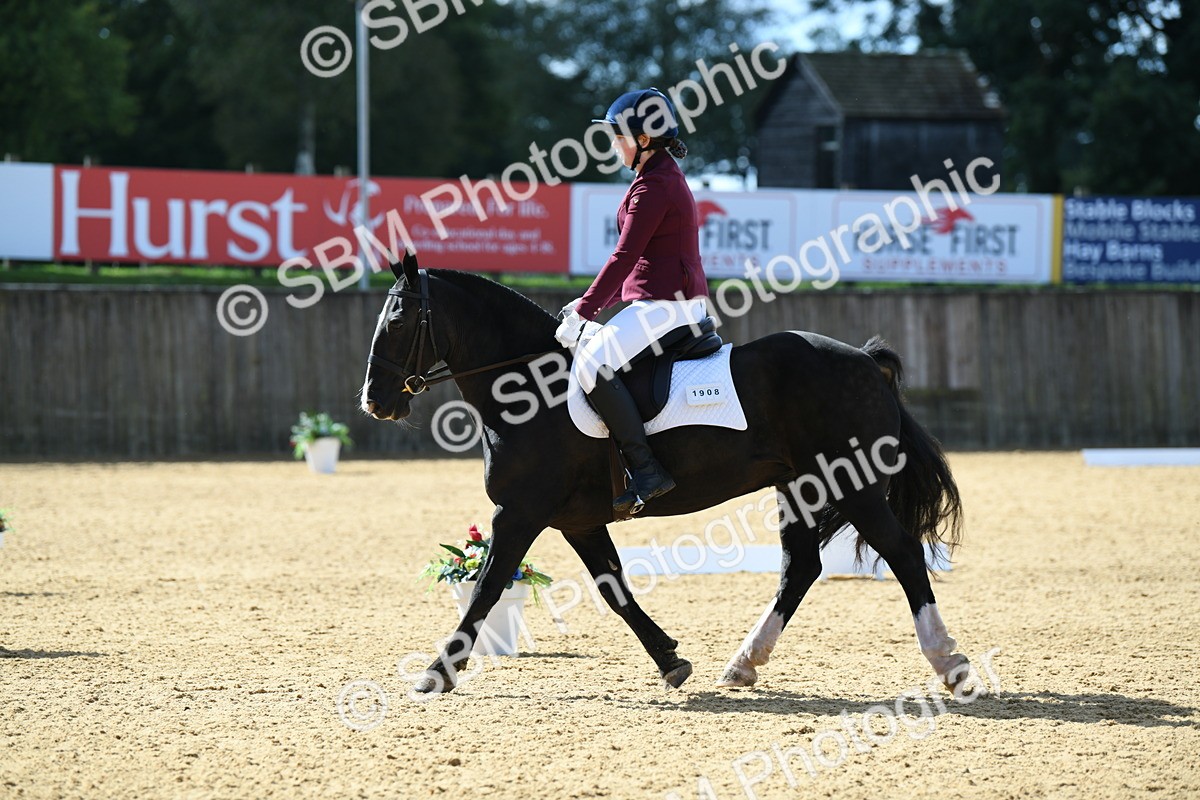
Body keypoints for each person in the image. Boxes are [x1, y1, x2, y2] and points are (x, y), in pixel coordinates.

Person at [555, 87, 710, 519]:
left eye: (618, 137)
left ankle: (646, 470)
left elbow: (623, 257)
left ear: (644, 139)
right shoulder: (654, 177)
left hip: (668, 305)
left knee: (591, 364)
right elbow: (631, 263)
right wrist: (586, 304)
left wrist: (585, 312)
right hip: (661, 301)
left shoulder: (655, 185)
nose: (613, 145)